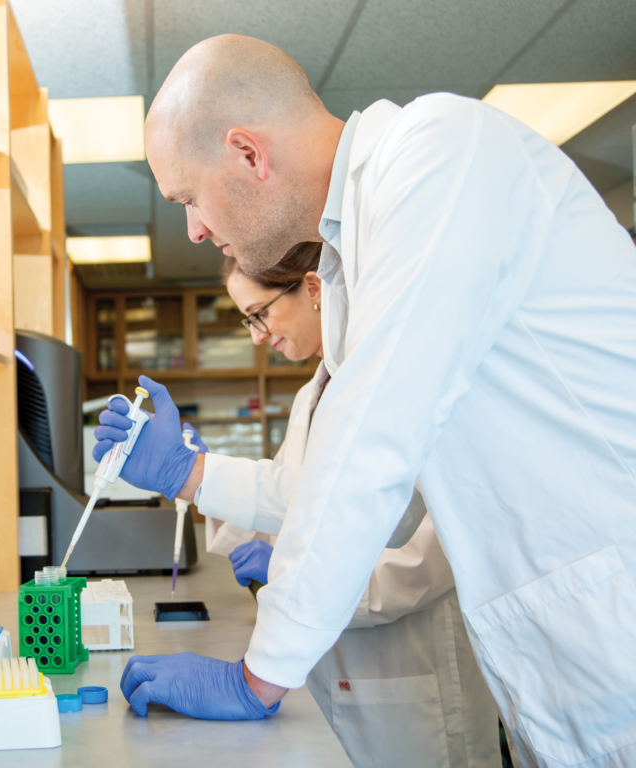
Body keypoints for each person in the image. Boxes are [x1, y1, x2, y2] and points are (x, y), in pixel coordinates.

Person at [98, 34, 636, 768]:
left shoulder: (441, 153)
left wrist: (259, 677)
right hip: (565, 670)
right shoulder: (353, 259)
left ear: (249, 154)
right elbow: (315, 483)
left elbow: (369, 444)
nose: (194, 229)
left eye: (189, 198)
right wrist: (190, 475)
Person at [194, 243, 498, 766]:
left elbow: (433, 560)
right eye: (248, 322)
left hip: (417, 660)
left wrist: (305, 579)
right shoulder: (313, 395)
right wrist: (197, 475)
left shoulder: (401, 375)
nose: (259, 336)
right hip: (340, 668)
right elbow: (294, 499)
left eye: (259, 315)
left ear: (312, 288)